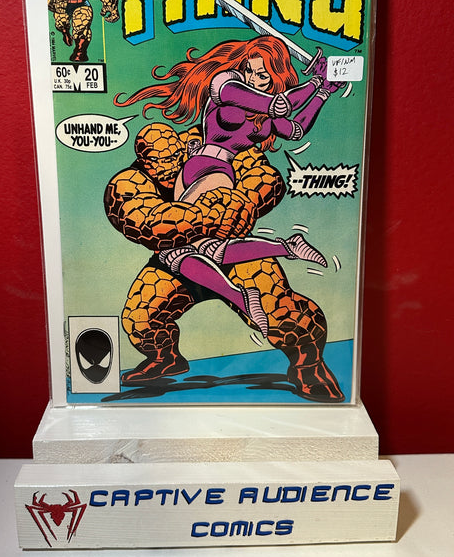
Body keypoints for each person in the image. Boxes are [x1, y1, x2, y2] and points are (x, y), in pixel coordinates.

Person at [113, 36, 341, 335]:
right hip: (193, 170)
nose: (253, 78)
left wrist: (323, 91)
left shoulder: (265, 118)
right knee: (208, 248)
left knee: (174, 252)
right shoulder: (226, 84)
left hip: (217, 172)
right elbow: (280, 105)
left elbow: (295, 129)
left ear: (275, 77)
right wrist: (317, 82)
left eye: (262, 75)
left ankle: (242, 295)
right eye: (250, 70)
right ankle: (286, 247)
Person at [104, 122, 345, 403]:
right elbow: (145, 221)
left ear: (183, 149)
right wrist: (211, 213)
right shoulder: (128, 182)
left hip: (233, 252)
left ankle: (309, 367)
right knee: (140, 318)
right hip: (176, 263)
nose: (169, 167)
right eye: (159, 162)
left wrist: (244, 201)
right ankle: (164, 358)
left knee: (284, 312)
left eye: (174, 158)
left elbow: (264, 177)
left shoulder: (211, 141)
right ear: (144, 160)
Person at [47, 0, 119, 62]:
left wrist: (111, 7)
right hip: (63, 6)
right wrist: (58, 2)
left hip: (82, 3)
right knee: (62, 22)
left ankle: (80, 52)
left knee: (81, 25)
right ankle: (66, 33)